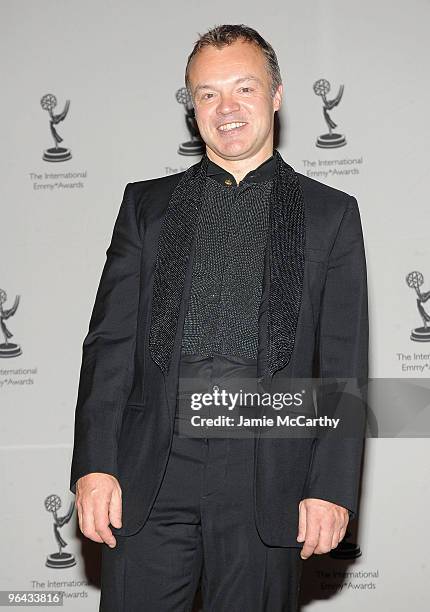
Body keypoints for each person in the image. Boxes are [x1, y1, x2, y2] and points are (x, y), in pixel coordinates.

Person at [70, 24, 368, 611]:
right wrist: (95, 465)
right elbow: (108, 346)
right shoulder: (145, 206)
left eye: (244, 89)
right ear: (192, 106)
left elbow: (342, 362)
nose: (226, 108)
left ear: (276, 95)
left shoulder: (332, 214)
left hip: (267, 474)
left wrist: (330, 488)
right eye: (208, 94)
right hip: (150, 470)